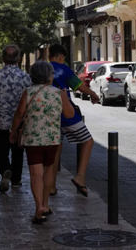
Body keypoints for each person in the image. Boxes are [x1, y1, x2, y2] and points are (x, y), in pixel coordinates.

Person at [9, 61, 74, 223]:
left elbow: (19, 113)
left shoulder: (28, 92)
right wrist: (65, 98)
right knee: (48, 172)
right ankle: (45, 204)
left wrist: (13, 131)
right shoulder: (59, 93)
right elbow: (69, 114)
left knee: (36, 174)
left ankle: (38, 207)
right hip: (52, 139)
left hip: (32, 139)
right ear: (49, 76)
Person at [49, 44, 99, 197]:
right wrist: (92, 94)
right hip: (66, 114)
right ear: (60, 56)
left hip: (48, 114)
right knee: (88, 141)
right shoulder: (63, 69)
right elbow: (78, 86)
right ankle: (80, 177)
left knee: (55, 148)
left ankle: (51, 186)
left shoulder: (42, 68)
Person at [0, 45, 32, 192]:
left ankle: (5, 169)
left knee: (1, 150)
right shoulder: (26, 77)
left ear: (3, 58)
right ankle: (16, 180)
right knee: (18, 150)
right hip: (20, 121)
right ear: (18, 58)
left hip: (1, 120)